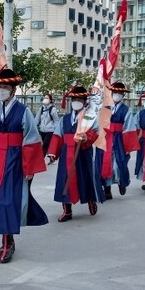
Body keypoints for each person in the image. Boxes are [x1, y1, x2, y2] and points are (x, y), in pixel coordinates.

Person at [0, 68, 48, 263]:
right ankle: (8, 240)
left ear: (14, 90)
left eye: (5, 87)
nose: (1, 90)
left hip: (14, 161)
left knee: (8, 201)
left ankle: (7, 244)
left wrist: (29, 167)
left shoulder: (23, 112)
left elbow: (31, 138)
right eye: (0, 86)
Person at [46, 85, 104, 221]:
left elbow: (95, 132)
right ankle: (67, 210)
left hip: (82, 152)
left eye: (79, 98)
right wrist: (53, 152)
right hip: (67, 153)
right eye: (74, 99)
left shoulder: (89, 117)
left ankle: (90, 200)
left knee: (86, 177)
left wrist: (86, 137)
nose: (76, 101)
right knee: (64, 180)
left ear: (84, 101)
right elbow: (58, 135)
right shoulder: (65, 119)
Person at [98, 81, 139, 196]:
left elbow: (129, 127)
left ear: (123, 95)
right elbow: (99, 123)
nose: (117, 94)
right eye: (115, 92)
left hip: (119, 139)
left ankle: (121, 181)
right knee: (105, 163)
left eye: (119, 93)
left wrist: (128, 146)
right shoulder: (104, 107)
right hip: (106, 138)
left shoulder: (126, 110)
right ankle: (107, 189)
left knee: (118, 164)